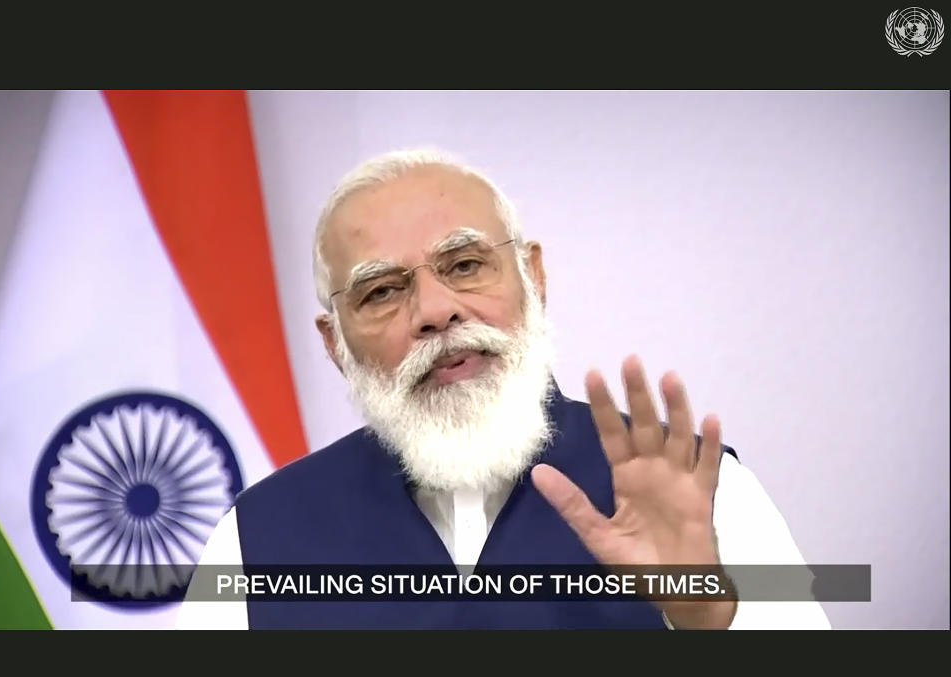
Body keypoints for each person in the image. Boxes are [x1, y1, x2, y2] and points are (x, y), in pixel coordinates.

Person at [176, 149, 832, 630]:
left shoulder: (701, 489)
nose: (435, 310)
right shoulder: (256, 537)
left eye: (464, 264)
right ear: (335, 344)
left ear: (533, 276)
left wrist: (704, 616)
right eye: (382, 291)